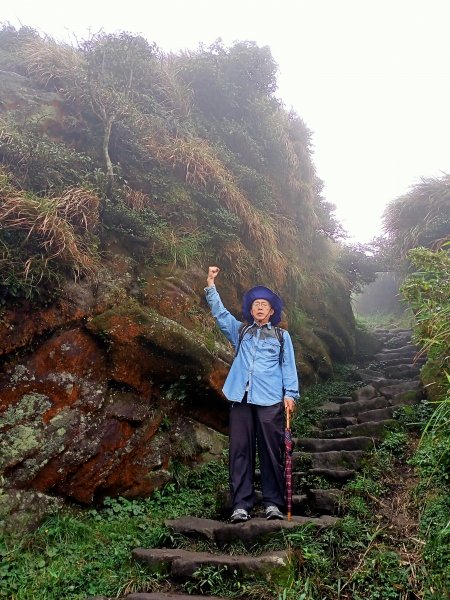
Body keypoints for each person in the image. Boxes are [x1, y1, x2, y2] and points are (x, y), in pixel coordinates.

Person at [204, 266, 299, 523]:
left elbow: (288, 365)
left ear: (271, 311)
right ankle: (241, 504)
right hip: (240, 398)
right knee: (240, 450)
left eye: (263, 304)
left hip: (270, 400)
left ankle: (273, 503)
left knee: (271, 451)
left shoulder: (281, 336)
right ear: (251, 309)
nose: (259, 307)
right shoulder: (242, 332)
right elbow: (221, 315)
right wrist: (211, 286)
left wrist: (290, 393)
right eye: (255, 304)